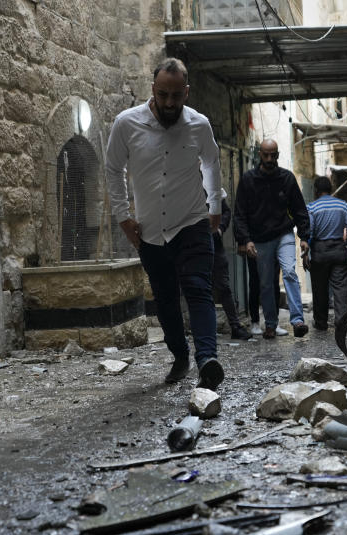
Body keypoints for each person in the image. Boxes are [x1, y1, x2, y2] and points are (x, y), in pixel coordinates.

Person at [106, 57, 224, 390]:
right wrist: (123, 217)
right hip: (150, 231)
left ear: (186, 92)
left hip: (192, 222)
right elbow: (113, 169)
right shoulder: (126, 124)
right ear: (153, 90)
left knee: (199, 290)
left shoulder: (199, 125)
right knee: (165, 298)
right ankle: (180, 356)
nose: (169, 103)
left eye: (176, 96)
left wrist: (214, 206)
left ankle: (207, 360)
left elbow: (212, 163)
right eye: (163, 95)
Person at [233, 139, 311, 339]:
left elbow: (299, 210)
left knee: (289, 272)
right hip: (259, 239)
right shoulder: (248, 180)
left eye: (273, 155)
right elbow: (240, 214)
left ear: (277, 154)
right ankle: (270, 324)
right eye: (266, 155)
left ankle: (297, 320)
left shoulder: (287, 178)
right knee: (266, 283)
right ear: (260, 154)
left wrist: (304, 237)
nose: (269, 159)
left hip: (283, 233)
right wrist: (245, 239)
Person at [306, 176, 347, 330]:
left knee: (320, 289)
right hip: (339, 249)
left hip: (319, 251)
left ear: (316, 190)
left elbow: (310, 231)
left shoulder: (312, 207)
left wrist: (308, 251)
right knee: (340, 288)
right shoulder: (343, 205)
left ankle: (321, 323)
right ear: (331, 189)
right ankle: (342, 322)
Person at [213, 196, 251, 340]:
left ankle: (235, 326)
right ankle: (206, 329)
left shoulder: (209, 182)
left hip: (214, 243)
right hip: (192, 245)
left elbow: (226, 211)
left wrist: (220, 229)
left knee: (224, 286)